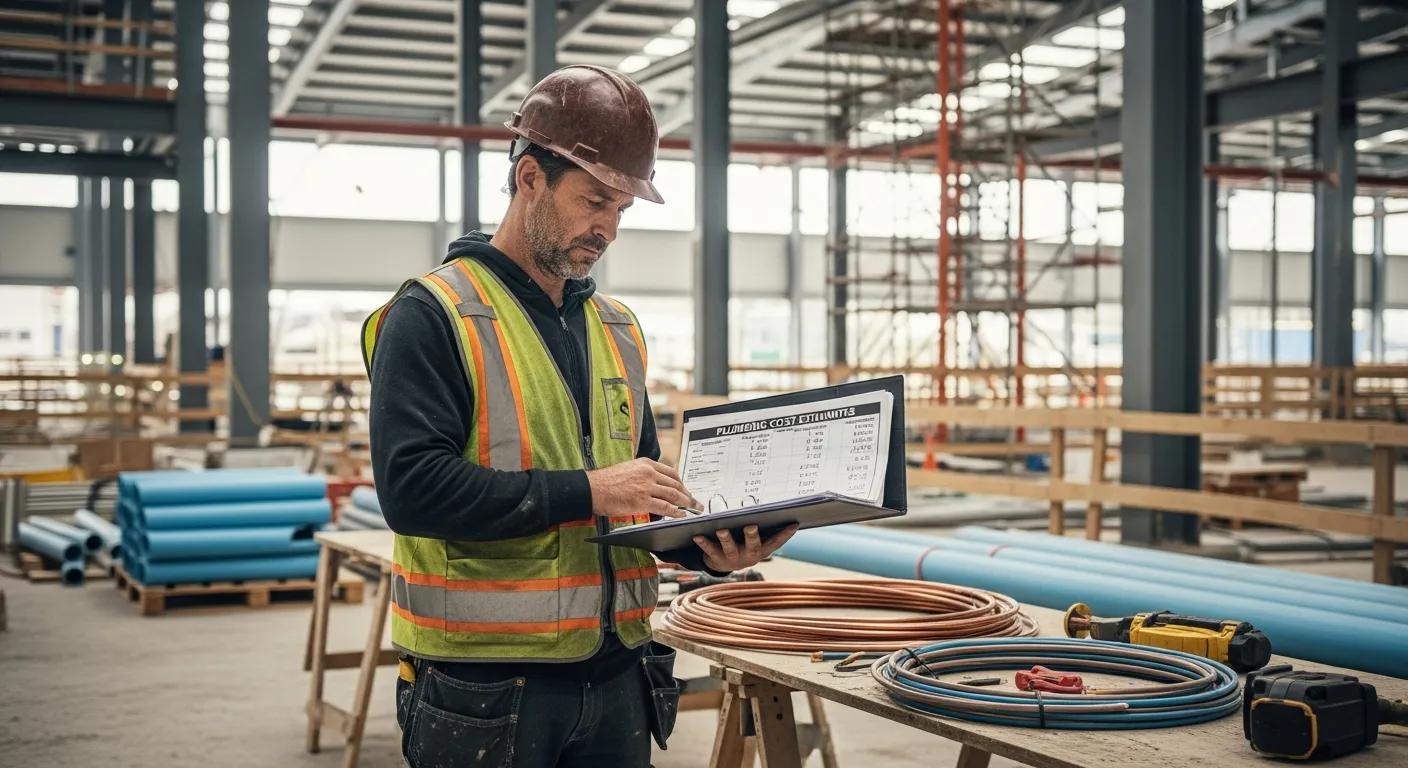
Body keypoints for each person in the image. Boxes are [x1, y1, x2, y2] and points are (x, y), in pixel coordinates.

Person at [362, 65, 797, 768]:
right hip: (486, 688)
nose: (609, 228)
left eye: (622, 208)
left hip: (618, 675)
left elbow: (640, 498)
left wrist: (707, 550)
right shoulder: (431, 314)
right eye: (594, 200)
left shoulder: (616, 327)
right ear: (529, 178)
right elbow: (412, 492)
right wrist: (590, 489)